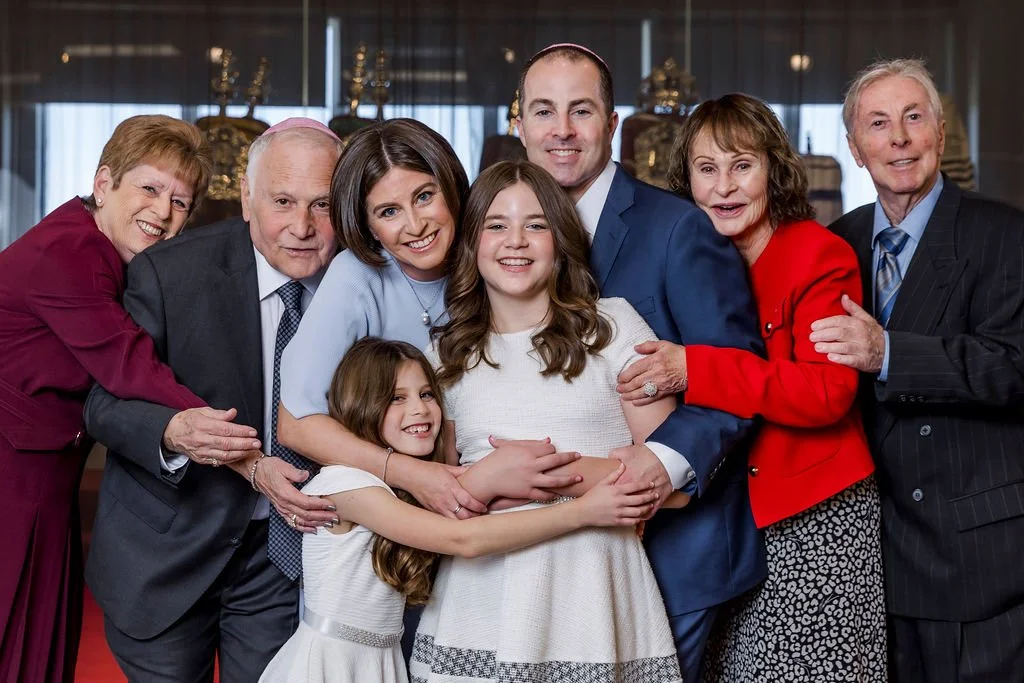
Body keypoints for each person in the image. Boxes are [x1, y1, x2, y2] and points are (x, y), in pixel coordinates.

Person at [515, 43, 764, 681]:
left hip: (670, 550)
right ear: (519, 123)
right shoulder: (494, 234)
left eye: (581, 111)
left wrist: (663, 461)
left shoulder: (679, 229)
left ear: (612, 123)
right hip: (536, 555)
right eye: (544, 112)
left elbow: (736, 369)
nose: (562, 131)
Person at [0, 114, 261, 683]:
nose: (163, 212)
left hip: (42, 472)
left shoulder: (108, 254)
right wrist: (232, 436)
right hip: (9, 476)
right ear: (103, 185)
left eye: (181, 202)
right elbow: (129, 364)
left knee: (37, 636)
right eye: (149, 188)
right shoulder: (68, 252)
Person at [81, 118, 344, 682]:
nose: (302, 227)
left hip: (284, 556)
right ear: (247, 197)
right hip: (165, 553)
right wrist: (173, 433)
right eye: (282, 201)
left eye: (322, 205)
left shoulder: (360, 282)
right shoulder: (168, 273)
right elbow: (103, 406)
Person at [408, 159, 684, 682]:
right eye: (497, 225)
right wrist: (484, 483)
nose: (516, 241)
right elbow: (443, 499)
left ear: (560, 241)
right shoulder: (444, 355)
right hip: (480, 603)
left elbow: (672, 480)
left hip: (593, 597)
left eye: (536, 224)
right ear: (471, 243)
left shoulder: (612, 327)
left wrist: (529, 481)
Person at [260, 337, 659, 683]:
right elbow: (462, 539)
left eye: (426, 394)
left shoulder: (411, 490)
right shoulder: (345, 484)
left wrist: (633, 478)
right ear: (361, 405)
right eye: (396, 398)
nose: (419, 410)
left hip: (380, 659)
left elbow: (494, 500)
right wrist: (585, 512)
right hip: (328, 664)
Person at [807, 58, 1024, 682]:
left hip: (978, 557)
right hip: (873, 557)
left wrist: (890, 355)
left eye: (913, 118)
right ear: (855, 147)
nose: (898, 138)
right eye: (878, 124)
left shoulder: (1004, 235)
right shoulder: (835, 245)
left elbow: (1014, 368)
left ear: (940, 134)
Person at [660, 92, 886, 681]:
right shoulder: (688, 261)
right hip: (721, 520)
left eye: (742, 165)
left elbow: (825, 394)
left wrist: (695, 368)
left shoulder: (819, 255)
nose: (725, 187)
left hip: (813, 518)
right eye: (707, 170)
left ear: (773, 170)